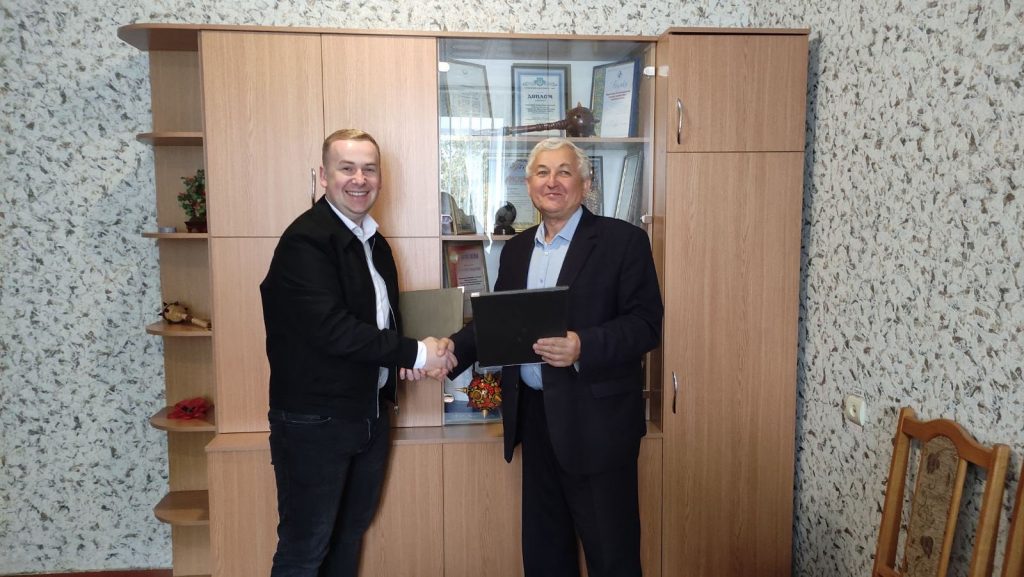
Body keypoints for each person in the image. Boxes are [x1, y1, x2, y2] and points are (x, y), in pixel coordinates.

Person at [450, 137, 663, 577]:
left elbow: (646, 324)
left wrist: (583, 345)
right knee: (544, 554)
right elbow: (497, 324)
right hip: (535, 420)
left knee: (612, 556)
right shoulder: (516, 250)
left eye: (565, 172)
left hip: (599, 427)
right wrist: (449, 350)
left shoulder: (623, 241)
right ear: (529, 185)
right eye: (543, 172)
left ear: (585, 184)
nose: (553, 182)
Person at [260, 128, 455, 577]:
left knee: (347, 540)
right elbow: (333, 330)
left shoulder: (373, 241)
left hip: (367, 415)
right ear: (323, 176)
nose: (359, 179)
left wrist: (404, 359)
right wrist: (416, 354)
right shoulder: (305, 241)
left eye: (369, 169)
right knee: (305, 550)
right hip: (315, 422)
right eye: (346, 168)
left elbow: (379, 320)